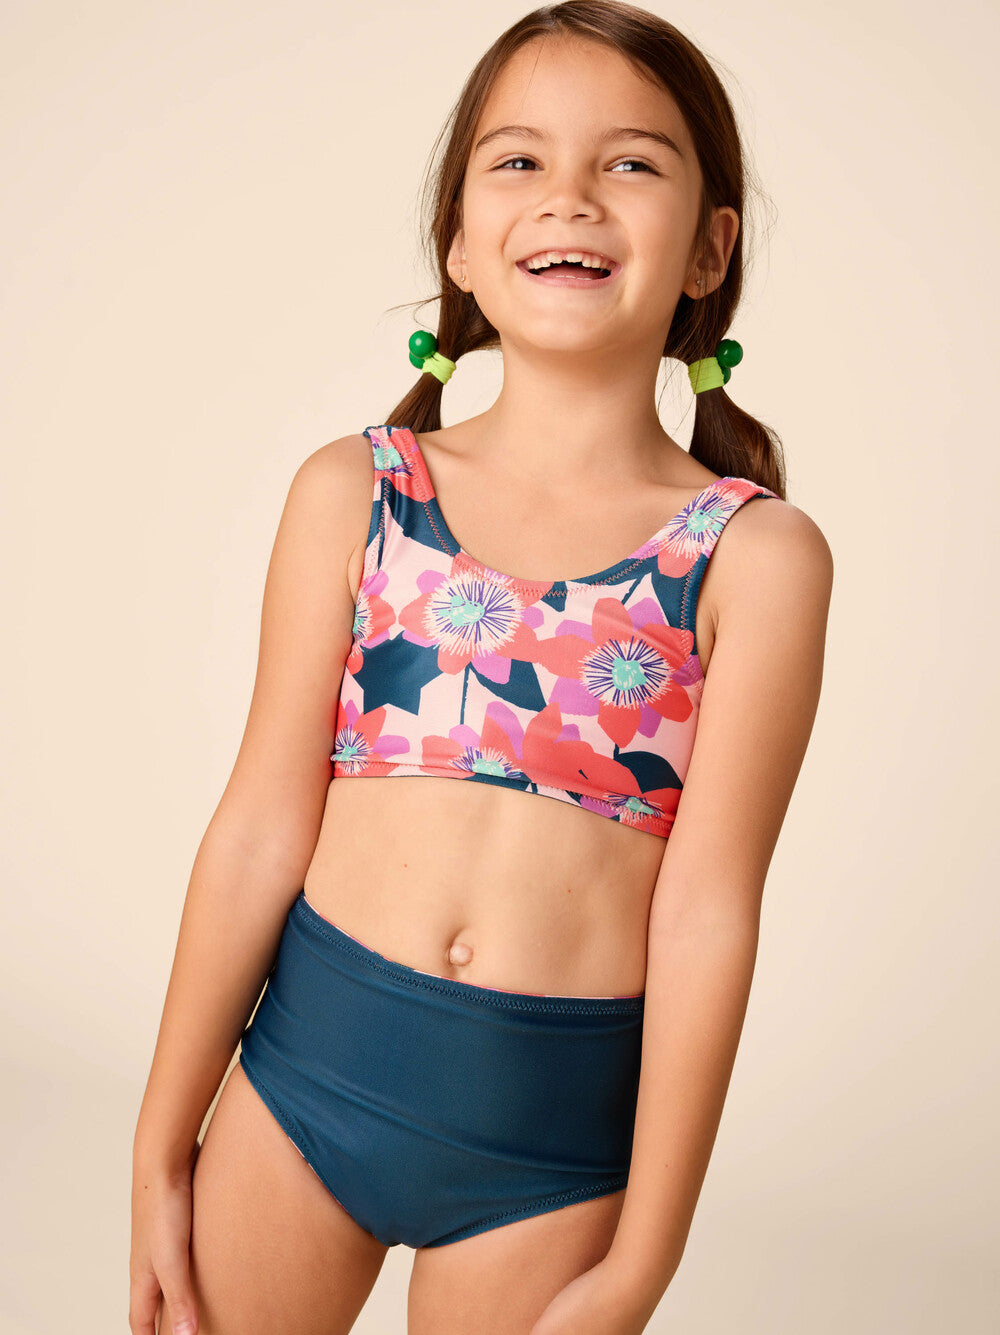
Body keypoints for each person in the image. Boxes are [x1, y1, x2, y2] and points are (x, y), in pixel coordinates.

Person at [129, 4, 833, 1333]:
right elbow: (259, 829)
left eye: (631, 162)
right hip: (300, 1092)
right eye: (519, 160)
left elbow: (708, 917)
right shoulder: (358, 492)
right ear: (459, 239)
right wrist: (161, 1145)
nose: (570, 194)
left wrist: (643, 1261)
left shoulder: (753, 557)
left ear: (711, 247)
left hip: (551, 1158)